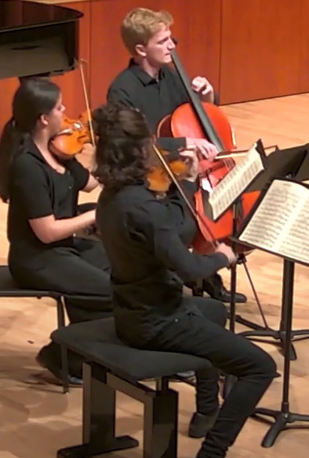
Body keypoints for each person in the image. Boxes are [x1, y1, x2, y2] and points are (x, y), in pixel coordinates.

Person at [91, 102, 276, 458]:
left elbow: (169, 231)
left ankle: (209, 406)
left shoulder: (112, 197)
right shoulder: (145, 208)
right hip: (159, 320)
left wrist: (185, 182)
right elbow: (189, 268)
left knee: (213, 309)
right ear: (140, 149)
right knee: (260, 366)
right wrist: (223, 257)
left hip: (131, 309)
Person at [105, 7, 246, 304]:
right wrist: (184, 142)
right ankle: (194, 268)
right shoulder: (122, 90)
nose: (171, 46)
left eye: (171, 38)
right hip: (150, 177)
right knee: (191, 217)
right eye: (163, 41)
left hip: (184, 168)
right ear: (141, 49)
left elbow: (196, 117)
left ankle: (206, 271)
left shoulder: (171, 76)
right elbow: (134, 143)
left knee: (222, 204)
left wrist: (206, 98)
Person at [0, 78, 113, 384]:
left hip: (63, 248)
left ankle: (86, 354)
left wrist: (92, 148)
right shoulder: (27, 166)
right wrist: (93, 216)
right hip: (36, 258)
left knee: (122, 271)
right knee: (108, 291)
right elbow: (46, 232)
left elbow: (91, 184)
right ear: (44, 118)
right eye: (59, 108)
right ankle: (60, 354)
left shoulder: (58, 151)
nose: (66, 112)